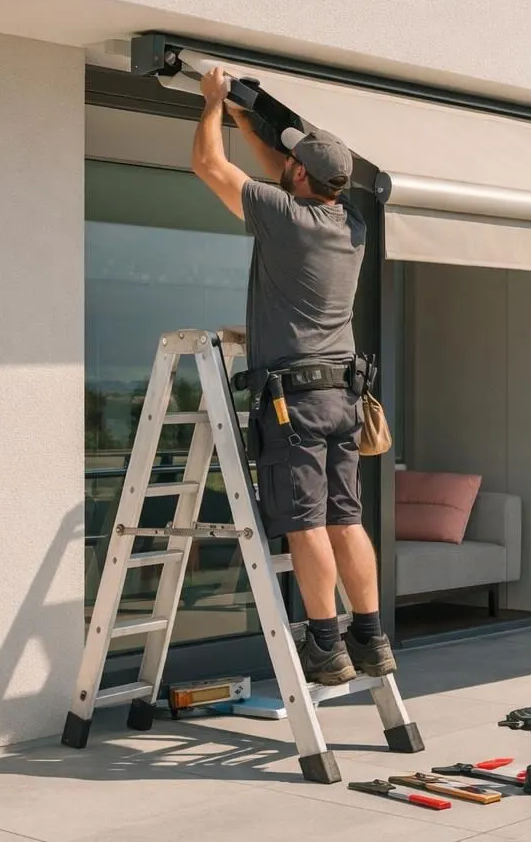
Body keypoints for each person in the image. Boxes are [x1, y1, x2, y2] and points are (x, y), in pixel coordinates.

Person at [189, 64, 393, 686]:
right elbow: (285, 171)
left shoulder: (283, 216)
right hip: (344, 398)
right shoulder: (351, 224)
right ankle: (370, 637)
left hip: (296, 406)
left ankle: (326, 646)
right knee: (346, 518)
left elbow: (209, 165)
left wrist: (211, 105)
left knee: (306, 524)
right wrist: (252, 119)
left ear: (301, 174)